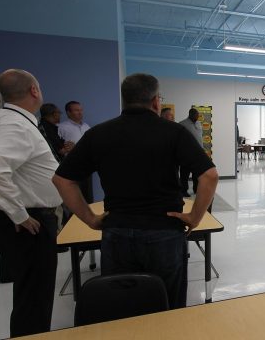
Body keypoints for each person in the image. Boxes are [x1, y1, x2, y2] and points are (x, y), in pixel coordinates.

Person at [52, 73, 218, 309]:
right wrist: (195, 217)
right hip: (165, 230)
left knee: (123, 304)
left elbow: (62, 180)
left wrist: (89, 219)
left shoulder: (98, 134)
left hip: (117, 231)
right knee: (168, 305)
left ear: (125, 100)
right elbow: (210, 175)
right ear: (155, 101)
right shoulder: (174, 132)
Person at [0, 69, 61, 337]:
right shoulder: (15, 125)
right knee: (34, 298)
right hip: (29, 222)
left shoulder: (7, 119)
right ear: (34, 90)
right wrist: (18, 214)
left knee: (31, 294)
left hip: (25, 218)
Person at [58, 101, 93, 203]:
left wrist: (76, 147)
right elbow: (58, 149)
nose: (80, 112)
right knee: (75, 197)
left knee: (88, 197)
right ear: (68, 113)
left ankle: (90, 216)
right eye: (76, 110)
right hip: (71, 167)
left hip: (87, 166)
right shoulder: (61, 128)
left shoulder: (87, 127)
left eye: (81, 110)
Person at [178, 108, 203, 197]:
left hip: (199, 153)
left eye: (198, 115)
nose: (198, 116)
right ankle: (183, 190)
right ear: (191, 114)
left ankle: (196, 189)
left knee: (197, 174)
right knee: (185, 174)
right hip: (186, 154)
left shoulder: (199, 123)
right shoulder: (182, 124)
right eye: (196, 115)